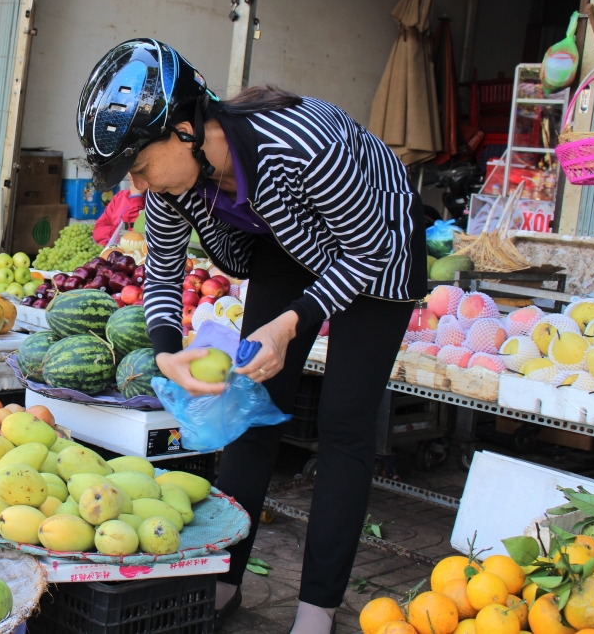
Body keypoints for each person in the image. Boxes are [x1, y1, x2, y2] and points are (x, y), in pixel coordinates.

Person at [76, 39, 425, 634]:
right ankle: (222, 580)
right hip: (285, 246)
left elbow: (363, 250)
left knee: (344, 422)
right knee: (250, 407)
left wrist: (292, 323)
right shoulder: (173, 185)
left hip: (377, 250)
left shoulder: (305, 143)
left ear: (186, 129)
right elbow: (163, 271)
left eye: (139, 166)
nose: (135, 186)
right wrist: (165, 352)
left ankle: (315, 608)